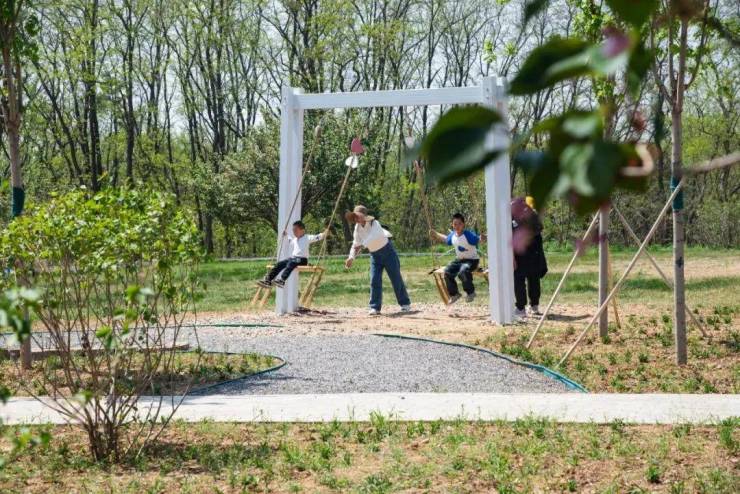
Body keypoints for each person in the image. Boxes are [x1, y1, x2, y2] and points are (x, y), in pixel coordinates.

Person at [344, 205, 411, 315]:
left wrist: (362, 245)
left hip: (388, 253)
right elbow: (355, 244)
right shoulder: (357, 228)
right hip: (375, 256)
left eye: (358, 216)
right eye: (355, 216)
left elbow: (373, 236)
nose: (356, 218)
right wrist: (351, 257)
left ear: (364, 216)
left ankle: (405, 304)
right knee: (374, 280)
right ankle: (375, 307)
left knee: (396, 278)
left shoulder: (375, 224)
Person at [430, 213, 486, 304]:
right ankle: (454, 294)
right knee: (447, 271)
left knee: (462, 271)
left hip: (472, 261)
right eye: (455, 224)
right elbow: (445, 239)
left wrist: (482, 238)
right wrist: (436, 234)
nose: (457, 226)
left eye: (459, 224)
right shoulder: (453, 235)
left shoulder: (468, 234)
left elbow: (477, 239)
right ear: (452, 225)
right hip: (459, 260)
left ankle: (470, 292)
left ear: (463, 224)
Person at [258, 221, 327, 288]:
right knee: (280, 264)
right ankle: (268, 280)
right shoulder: (295, 239)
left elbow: (317, 237)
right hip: (293, 259)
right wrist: (286, 235)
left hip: (302, 260)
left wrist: (324, 233)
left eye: (296, 230)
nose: (294, 232)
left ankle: (282, 280)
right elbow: (290, 240)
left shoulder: (307, 237)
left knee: (291, 263)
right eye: (293, 230)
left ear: (302, 230)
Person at [511, 197, 548, 318]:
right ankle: (520, 307)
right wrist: (512, 258)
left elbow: (538, 229)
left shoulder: (533, 215)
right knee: (519, 280)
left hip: (533, 253)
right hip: (519, 254)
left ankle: (534, 305)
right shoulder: (510, 219)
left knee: (534, 279)